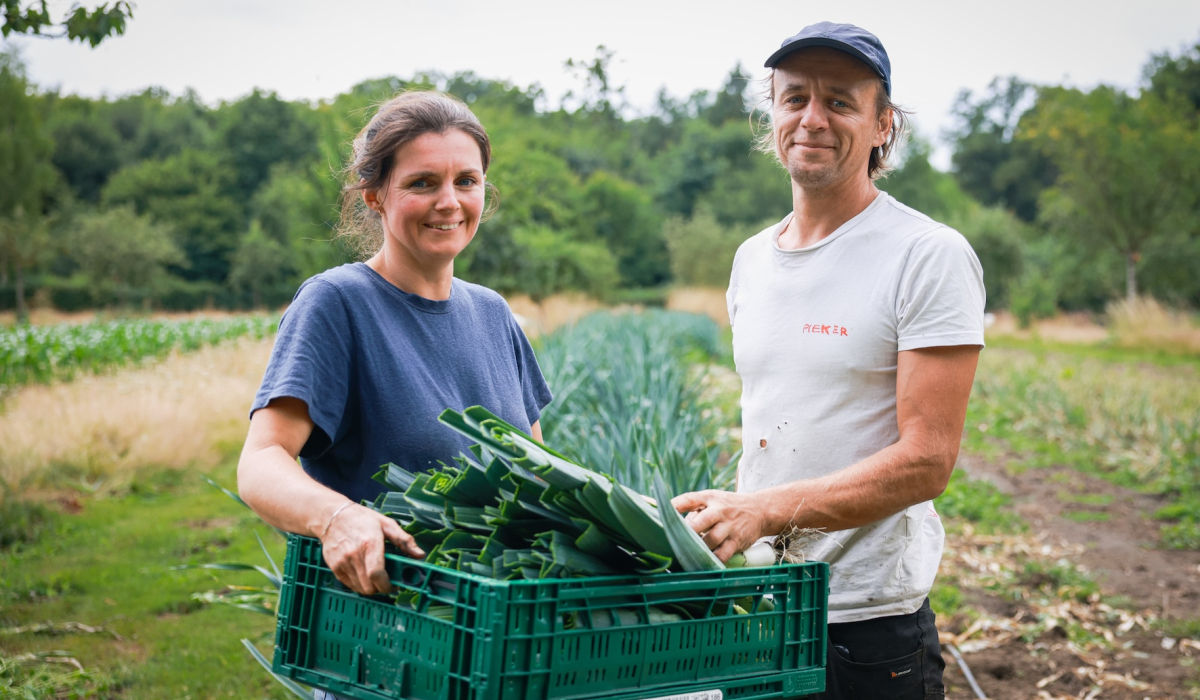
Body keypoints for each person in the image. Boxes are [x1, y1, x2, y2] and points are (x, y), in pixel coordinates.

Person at [671, 22, 985, 699]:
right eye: (794, 99)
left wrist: (764, 510)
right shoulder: (751, 259)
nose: (812, 119)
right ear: (773, 115)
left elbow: (928, 459)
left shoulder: (926, 255)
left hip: (869, 628)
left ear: (883, 126)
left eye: (839, 101)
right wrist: (735, 516)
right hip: (764, 607)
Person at [237, 91, 553, 602]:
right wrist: (337, 517)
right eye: (422, 183)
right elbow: (261, 460)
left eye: (466, 181)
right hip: (388, 632)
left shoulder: (494, 314)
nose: (449, 202)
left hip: (493, 635)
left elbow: (539, 475)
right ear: (374, 196)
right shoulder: (337, 304)